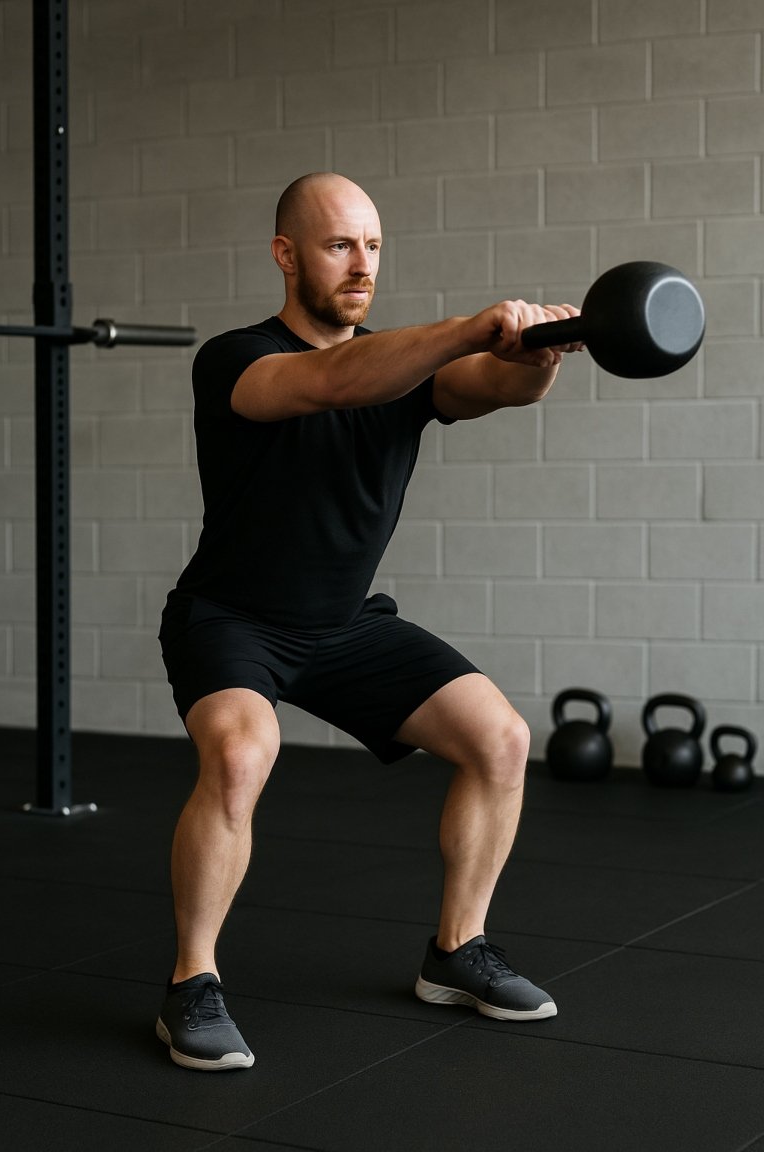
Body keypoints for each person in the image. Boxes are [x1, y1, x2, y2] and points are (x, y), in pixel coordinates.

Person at [156, 171, 582, 1071]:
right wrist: (471, 327)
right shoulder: (236, 359)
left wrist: (533, 360)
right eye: (339, 245)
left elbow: (488, 389)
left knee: (501, 740)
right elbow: (334, 383)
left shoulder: (408, 365)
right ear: (286, 254)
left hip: (345, 625)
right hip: (232, 621)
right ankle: (192, 984)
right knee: (239, 755)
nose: (361, 265)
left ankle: (456, 951)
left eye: (375, 246)